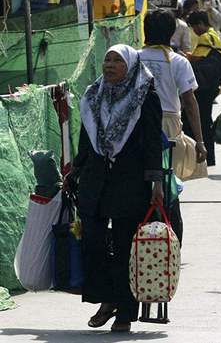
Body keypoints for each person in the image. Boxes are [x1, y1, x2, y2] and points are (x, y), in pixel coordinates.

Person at [69, 44, 163, 332]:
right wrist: (75, 170)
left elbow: (151, 145)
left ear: (130, 66)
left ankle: (125, 311)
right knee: (94, 241)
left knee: (124, 246)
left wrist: (155, 181)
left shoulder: (145, 97)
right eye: (107, 60)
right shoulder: (93, 96)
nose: (109, 65)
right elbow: (86, 139)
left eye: (116, 61)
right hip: (96, 180)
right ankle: (107, 299)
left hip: (130, 181)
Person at [140, 9, 207, 185]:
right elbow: (190, 102)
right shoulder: (179, 61)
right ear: (171, 32)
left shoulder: (133, 58)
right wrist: (199, 140)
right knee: (169, 179)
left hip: (138, 121)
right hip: (168, 124)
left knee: (142, 178)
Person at [186, 10, 221, 166]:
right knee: (206, 120)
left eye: (195, 26)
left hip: (203, 87)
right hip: (212, 86)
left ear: (201, 24)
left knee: (200, 121)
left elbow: (197, 58)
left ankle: (203, 157)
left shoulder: (205, 37)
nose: (194, 30)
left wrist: (184, 56)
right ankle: (209, 158)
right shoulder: (213, 34)